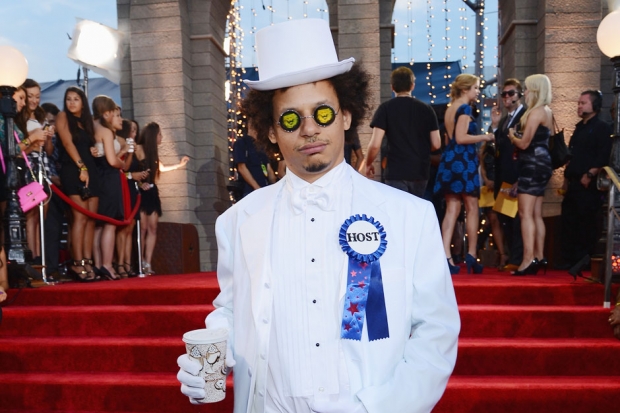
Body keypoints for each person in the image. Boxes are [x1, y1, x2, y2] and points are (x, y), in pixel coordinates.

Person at [176, 18, 459, 413]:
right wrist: (211, 351)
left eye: (322, 113)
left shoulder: (411, 216)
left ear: (345, 117)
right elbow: (233, 307)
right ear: (272, 132)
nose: (309, 129)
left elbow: (436, 332)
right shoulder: (238, 222)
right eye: (291, 119)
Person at [433, 74, 494, 274]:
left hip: (449, 160)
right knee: (472, 208)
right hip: (463, 160)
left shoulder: (450, 109)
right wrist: (486, 136)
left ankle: (445, 256)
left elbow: (448, 138)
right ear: (465, 89)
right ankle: (472, 255)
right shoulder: (465, 108)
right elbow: (460, 137)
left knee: (452, 208)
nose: (478, 92)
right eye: (476, 88)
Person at [360, 66, 441, 198]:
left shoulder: (385, 109)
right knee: (415, 210)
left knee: (398, 213)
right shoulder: (427, 109)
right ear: (412, 86)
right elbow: (436, 144)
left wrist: (368, 164)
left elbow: (375, 144)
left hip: (395, 170)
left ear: (392, 87)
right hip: (420, 170)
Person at [560, 90, 612, 271]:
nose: (579, 106)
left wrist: (590, 174)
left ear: (595, 106)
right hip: (574, 181)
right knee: (568, 221)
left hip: (588, 183)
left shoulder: (602, 128)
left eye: (583, 103)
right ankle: (569, 259)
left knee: (586, 222)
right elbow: (572, 156)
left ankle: (583, 259)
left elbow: (603, 154)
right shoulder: (579, 127)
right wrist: (566, 179)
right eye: (579, 103)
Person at [507, 74, 554, 275]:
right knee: (536, 214)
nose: (524, 93)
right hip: (543, 163)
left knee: (525, 213)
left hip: (532, 164)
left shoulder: (535, 112)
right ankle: (540, 257)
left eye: (526, 89)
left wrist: (512, 136)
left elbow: (525, 143)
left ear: (534, 90)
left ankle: (527, 260)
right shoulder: (547, 111)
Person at [56, 87, 100, 282]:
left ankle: (88, 261)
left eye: (76, 99)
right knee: (80, 218)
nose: (72, 102)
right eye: (68, 99)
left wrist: (95, 151)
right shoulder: (62, 117)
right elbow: (67, 144)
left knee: (91, 219)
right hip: (74, 170)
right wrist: (81, 167)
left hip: (92, 170)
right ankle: (77, 262)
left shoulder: (87, 122)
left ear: (83, 101)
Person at [135, 122, 189, 275]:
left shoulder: (153, 153)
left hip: (152, 192)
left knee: (153, 228)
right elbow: (131, 169)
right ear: (153, 135)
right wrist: (139, 183)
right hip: (140, 192)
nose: (161, 137)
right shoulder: (139, 149)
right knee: (143, 228)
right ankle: (138, 262)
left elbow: (161, 168)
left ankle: (147, 262)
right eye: (159, 134)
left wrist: (179, 165)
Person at [490, 79, 526, 271]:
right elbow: (498, 147)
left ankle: (519, 258)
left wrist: (520, 179)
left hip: (517, 175)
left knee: (518, 219)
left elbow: (525, 149)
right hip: (503, 175)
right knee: (506, 218)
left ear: (519, 95)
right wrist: (495, 126)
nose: (507, 97)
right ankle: (513, 256)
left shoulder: (525, 116)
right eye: (504, 94)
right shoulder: (504, 120)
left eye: (511, 93)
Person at [92, 96, 125, 280]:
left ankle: (97, 265)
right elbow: (112, 160)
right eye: (113, 112)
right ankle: (107, 264)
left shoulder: (92, 126)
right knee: (110, 223)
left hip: (99, 176)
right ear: (107, 111)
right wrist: (123, 164)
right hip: (109, 176)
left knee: (98, 225)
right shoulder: (105, 130)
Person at [233, 122, 275, 199]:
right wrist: (257, 189)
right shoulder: (241, 143)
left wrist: (274, 187)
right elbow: (242, 168)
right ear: (249, 125)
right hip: (250, 191)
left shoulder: (261, 145)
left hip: (265, 190)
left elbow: (268, 169)